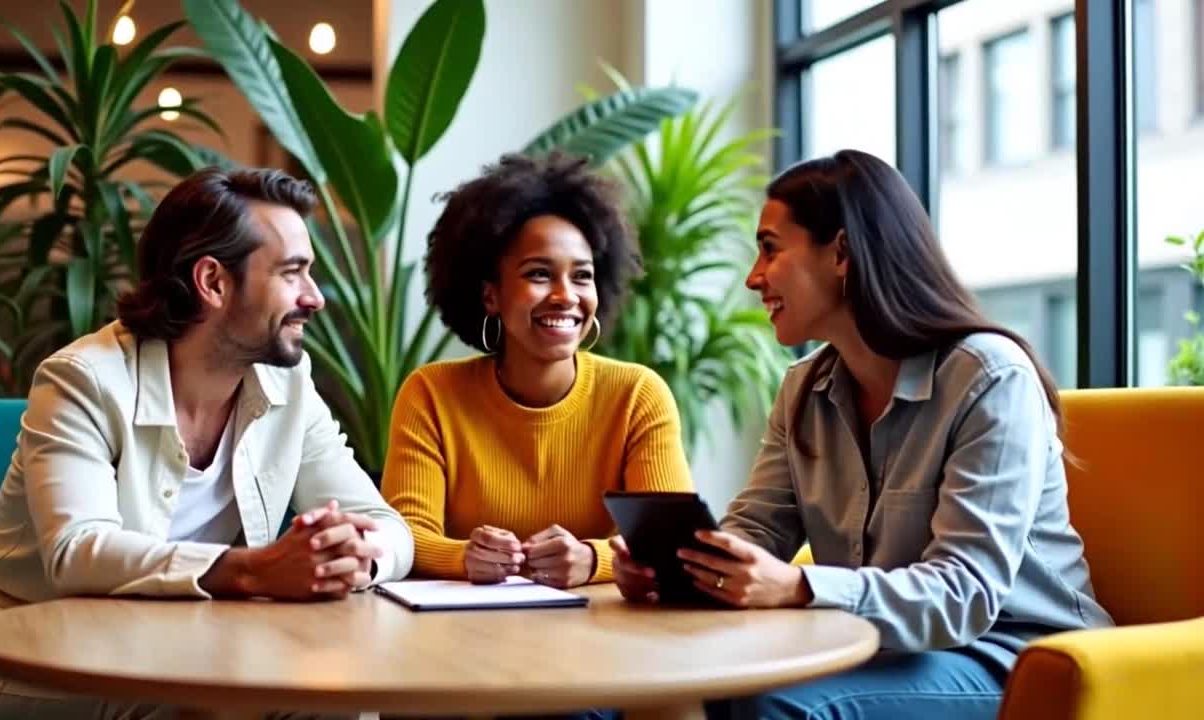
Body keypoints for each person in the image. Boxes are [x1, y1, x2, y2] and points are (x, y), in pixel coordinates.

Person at [609, 149, 1113, 719]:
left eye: (770, 248)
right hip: (877, 648)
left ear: (842, 253)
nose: (753, 277)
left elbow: (964, 595)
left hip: (1016, 657)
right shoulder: (804, 388)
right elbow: (757, 528)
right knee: (680, 680)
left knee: (773, 702)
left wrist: (800, 587)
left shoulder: (991, 379)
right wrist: (682, 568)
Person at [0, 167, 413, 720]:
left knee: (340, 697)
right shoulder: (83, 378)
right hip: (12, 655)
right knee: (199, 705)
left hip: (170, 649)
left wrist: (352, 562)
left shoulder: (287, 385)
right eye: (293, 273)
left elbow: (385, 524)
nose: (315, 298)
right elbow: (77, 552)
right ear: (213, 282)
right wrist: (251, 570)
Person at [381, 152, 693, 590]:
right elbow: (407, 537)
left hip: (606, 638)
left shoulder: (638, 395)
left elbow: (668, 543)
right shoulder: (431, 395)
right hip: (462, 640)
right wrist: (464, 557)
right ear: (491, 295)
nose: (566, 296)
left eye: (582, 276)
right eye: (540, 273)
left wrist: (591, 558)